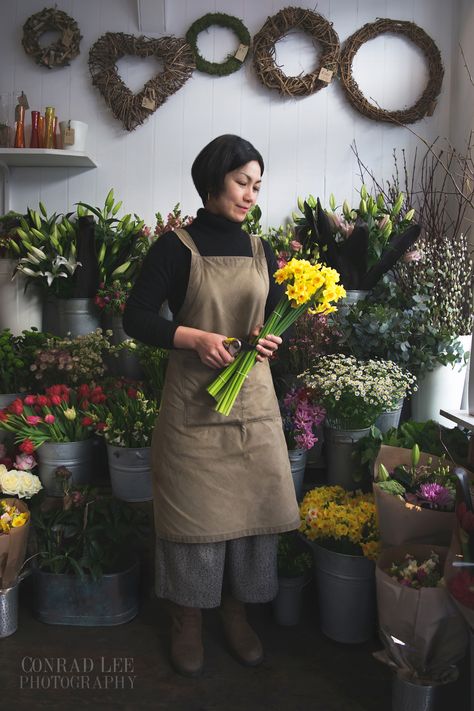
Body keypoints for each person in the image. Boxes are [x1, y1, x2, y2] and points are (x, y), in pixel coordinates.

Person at [123, 134, 300, 677]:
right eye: (242, 182)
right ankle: (187, 621)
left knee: (253, 515)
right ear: (213, 180)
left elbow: (269, 320)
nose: (251, 195)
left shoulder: (260, 250)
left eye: (257, 186)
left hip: (252, 403)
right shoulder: (177, 247)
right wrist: (195, 338)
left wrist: (269, 338)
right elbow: (137, 317)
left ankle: (237, 614)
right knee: (193, 521)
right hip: (195, 405)